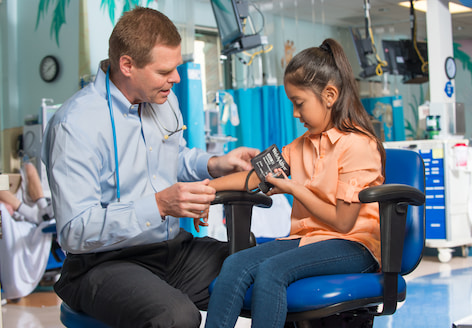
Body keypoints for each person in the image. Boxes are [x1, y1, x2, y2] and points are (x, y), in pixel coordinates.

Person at [42, 7, 258, 328]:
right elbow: (75, 232)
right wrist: (159, 205)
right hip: (102, 262)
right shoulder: (75, 125)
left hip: (170, 251)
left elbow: (177, 158)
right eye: (164, 71)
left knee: (256, 265)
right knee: (176, 317)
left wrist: (215, 164)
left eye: (176, 68)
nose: (176, 78)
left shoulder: (163, 99)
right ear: (127, 65)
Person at [204, 38, 386, 328]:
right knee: (234, 265)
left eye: (299, 103)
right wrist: (205, 191)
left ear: (329, 95)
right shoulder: (301, 145)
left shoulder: (359, 146)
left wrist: (293, 188)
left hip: (353, 245)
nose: (295, 113)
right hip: (306, 240)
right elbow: (252, 177)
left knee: (272, 271)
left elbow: (343, 222)